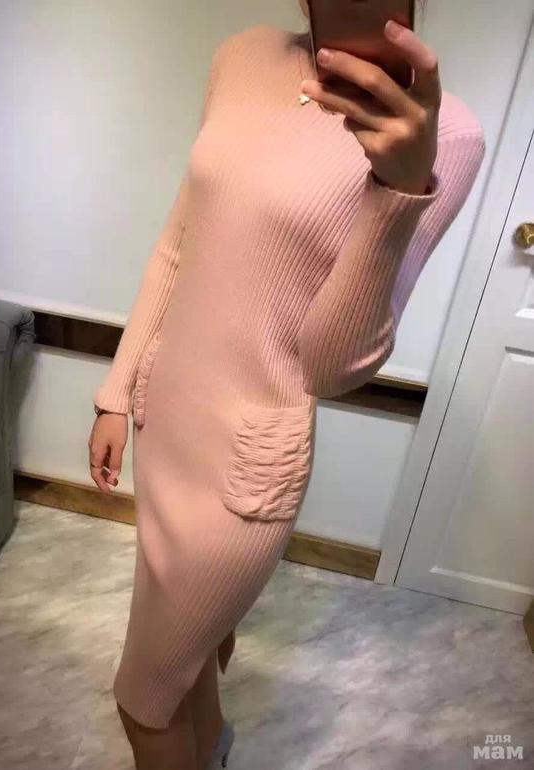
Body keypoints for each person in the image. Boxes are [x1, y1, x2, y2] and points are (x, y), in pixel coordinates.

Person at [88, 1, 485, 767]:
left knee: (142, 698)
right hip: (161, 423)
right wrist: (115, 391)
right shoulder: (244, 56)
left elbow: (331, 370)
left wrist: (396, 193)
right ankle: (213, 747)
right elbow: (177, 243)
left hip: (242, 467)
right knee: (184, 658)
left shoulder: (450, 135)